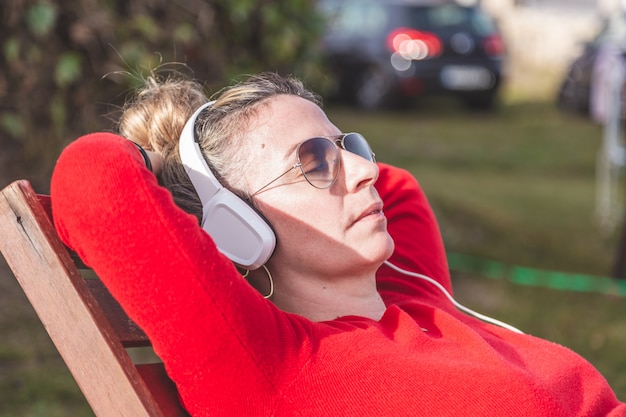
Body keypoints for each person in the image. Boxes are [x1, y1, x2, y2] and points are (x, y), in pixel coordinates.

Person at [50, 71, 626, 417]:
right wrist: (179, 174)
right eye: (315, 162)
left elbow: (398, 184)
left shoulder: (409, 290)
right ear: (237, 226)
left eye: (349, 144)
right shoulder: (271, 363)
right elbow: (93, 181)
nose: (364, 171)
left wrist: (309, 145)